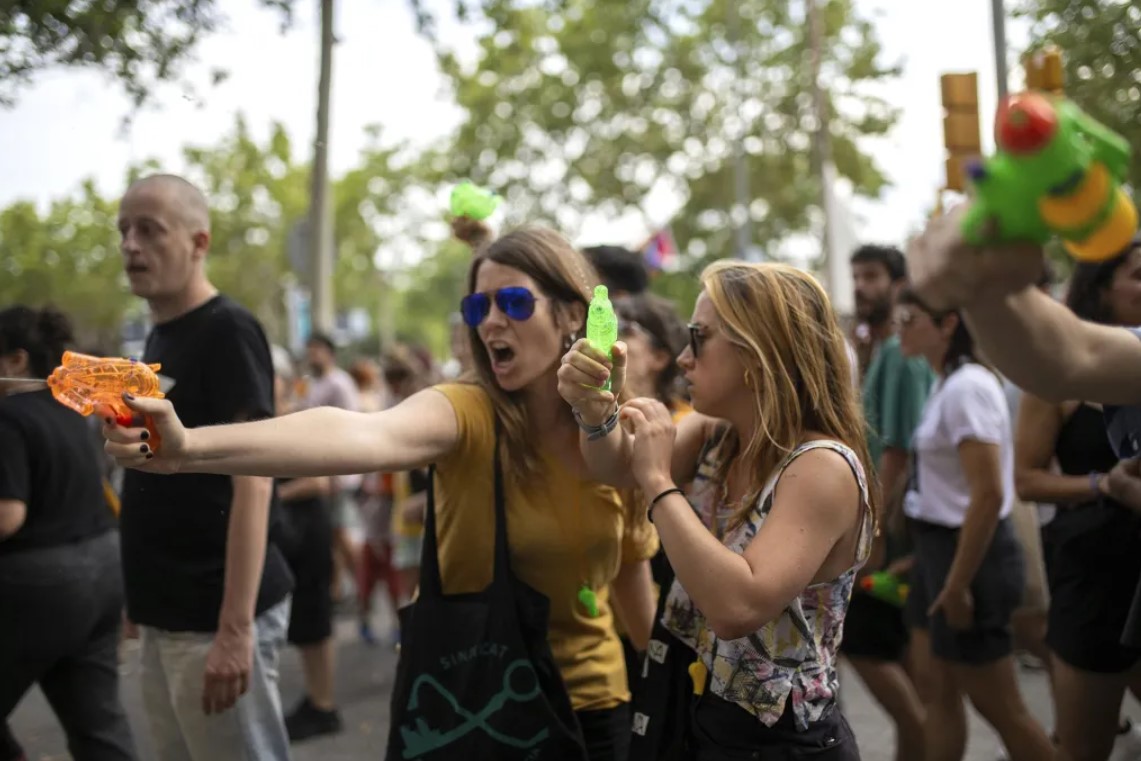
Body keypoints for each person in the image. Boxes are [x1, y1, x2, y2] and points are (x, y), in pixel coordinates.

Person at [102, 222, 657, 761]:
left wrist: (664, 708)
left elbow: (632, 581)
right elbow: (362, 432)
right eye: (476, 308)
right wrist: (189, 448)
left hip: (597, 709)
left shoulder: (619, 430)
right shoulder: (467, 410)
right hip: (480, 702)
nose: (489, 322)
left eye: (512, 302)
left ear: (571, 316)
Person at [559, 260, 875, 758]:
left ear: (758, 352)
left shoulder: (822, 467)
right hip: (702, 716)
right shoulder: (718, 435)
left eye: (699, 337)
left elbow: (738, 607)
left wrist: (660, 484)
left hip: (781, 743)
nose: (684, 358)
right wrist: (595, 410)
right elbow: (615, 467)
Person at [115, 174, 293, 761]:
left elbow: (255, 478)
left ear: (198, 242)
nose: (131, 246)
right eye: (124, 231)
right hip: (164, 614)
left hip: (213, 618)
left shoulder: (229, 329)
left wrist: (235, 631)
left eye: (149, 230)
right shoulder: (160, 332)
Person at [894, 288, 1054, 761]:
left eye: (912, 316)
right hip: (942, 551)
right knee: (938, 688)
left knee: (1003, 709)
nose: (901, 325)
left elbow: (988, 495)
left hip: (970, 558)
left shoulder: (968, 387)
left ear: (948, 325)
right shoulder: (948, 381)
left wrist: (958, 583)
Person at [1014, 247, 1141, 761]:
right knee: (1083, 745)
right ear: (1102, 286)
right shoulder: (1061, 375)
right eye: (1138, 275)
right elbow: (1025, 479)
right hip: (1093, 576)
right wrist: (1101, 485)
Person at [0, 306, 138, 761]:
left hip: (38, 585)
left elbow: (8, 516)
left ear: (16, 361)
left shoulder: (9, 418)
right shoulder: (69, 413)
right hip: (101, 575)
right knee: (99, 727)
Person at [844, 244, 931, 761]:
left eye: (872, 276)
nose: (860, 286)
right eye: (856, 276)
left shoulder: (901, 350)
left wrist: (872, 530)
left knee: (867, 646)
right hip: (886, 519)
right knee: (907, 664)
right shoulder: (876, 347)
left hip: (888, 523)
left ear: (897, 283)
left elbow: (899, 448)